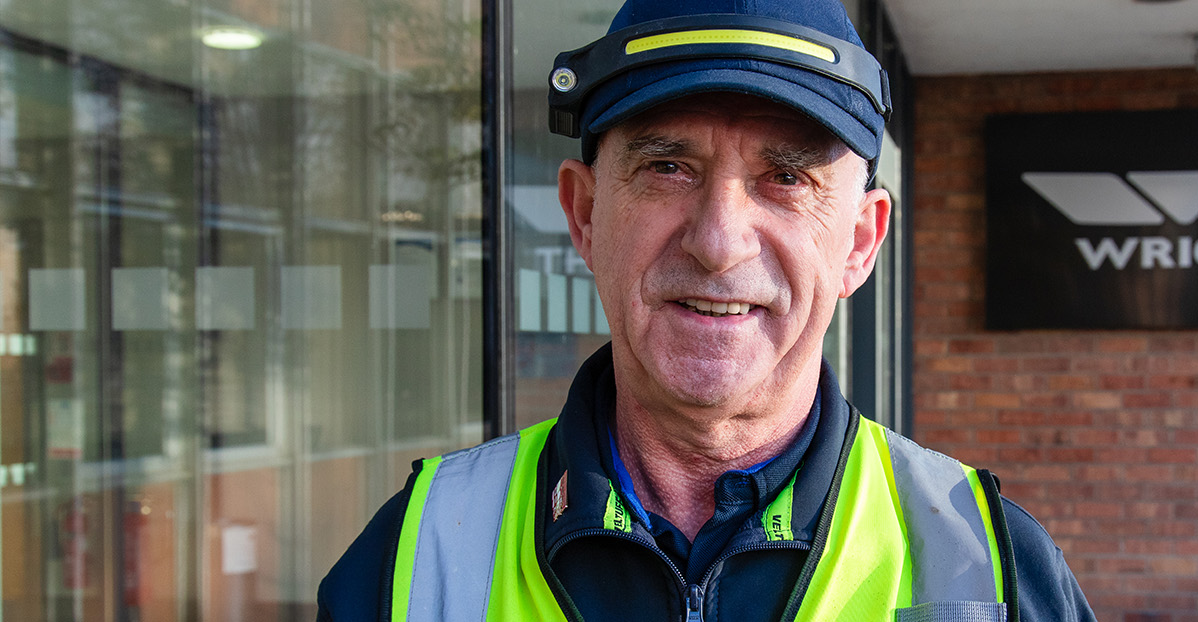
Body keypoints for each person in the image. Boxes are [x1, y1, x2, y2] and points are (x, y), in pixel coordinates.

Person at [319, 0, 1097, 620]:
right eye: (667, 167)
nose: (719, 243)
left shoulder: (998, 574)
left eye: (786, 178)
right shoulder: (410, 564)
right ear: (585, 216)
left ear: (860, 244)